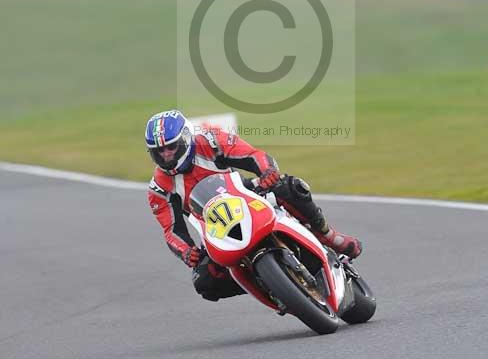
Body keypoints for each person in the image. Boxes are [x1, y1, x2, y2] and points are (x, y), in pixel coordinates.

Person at [145, 109, 362, 302]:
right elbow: (172, 230)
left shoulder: (210, 141)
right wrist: (186, 252)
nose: (166, 155)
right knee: (205, 282)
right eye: (159, 151)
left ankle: (327, 235)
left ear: (185, 139)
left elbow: (251, 155)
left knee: (289, 187)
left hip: (242, 193)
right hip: (213, 226)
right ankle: (268, 285)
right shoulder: (159, 188)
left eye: (171, 147)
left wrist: (267, 172)